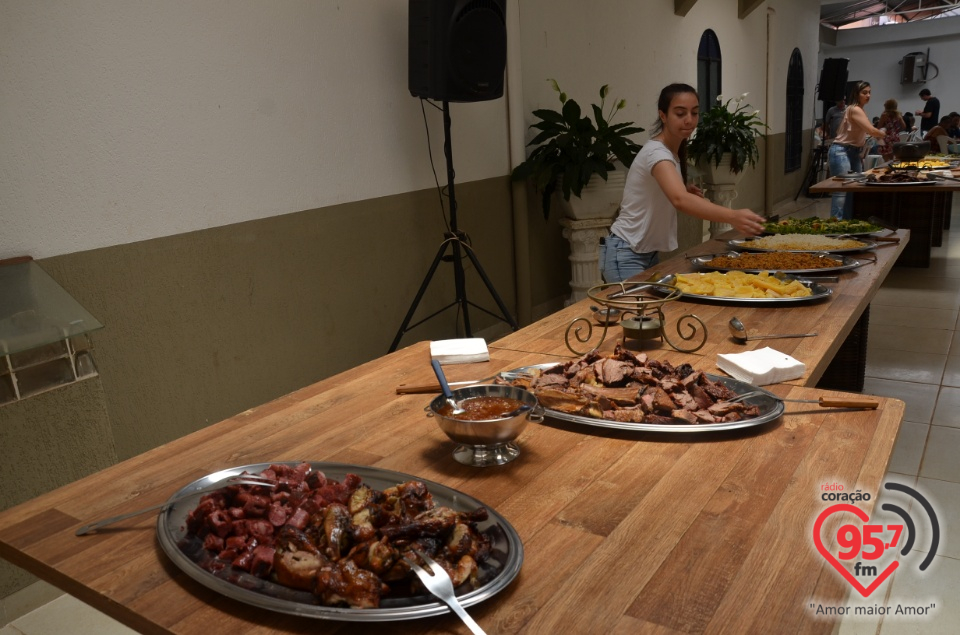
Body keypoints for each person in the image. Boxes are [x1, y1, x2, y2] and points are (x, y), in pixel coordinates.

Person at [599, 83, 764, 283]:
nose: (689, 120)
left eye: (694, 113)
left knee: (646, 313)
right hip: (626, 253)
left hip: (644, 252)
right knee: (635, 313)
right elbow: (679, 200)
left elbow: (668, 189)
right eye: (680, 113)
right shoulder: (657, 153)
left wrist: (681, 187)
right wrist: (733, 216)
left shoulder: (671, 150)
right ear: (663, 115)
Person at [827, 81, 885, 220]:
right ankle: (836, 227)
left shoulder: (858, 109)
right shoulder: (855, 109)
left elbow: (841, 130)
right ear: (856, 94)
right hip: (842, 151)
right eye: (864, 93)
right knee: (842, 190)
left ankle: (848, 224)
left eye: (869, 92)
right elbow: (871, 130)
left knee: (854, 189)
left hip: (852, 152)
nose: (868, 95)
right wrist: (884, 133)